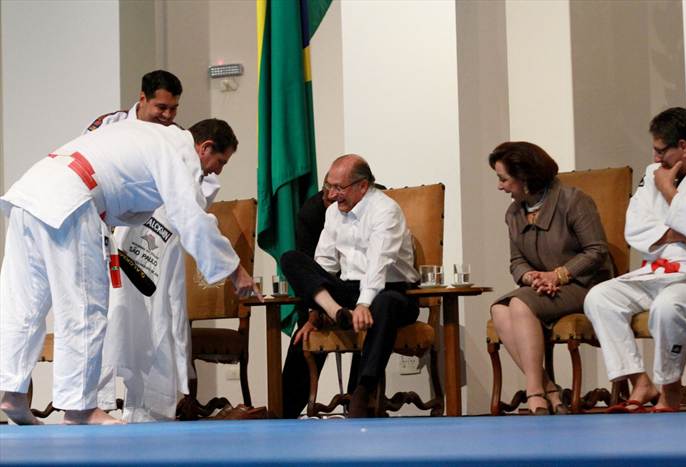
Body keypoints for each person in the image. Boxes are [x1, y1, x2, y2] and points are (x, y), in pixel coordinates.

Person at [0, 118, 261, 425]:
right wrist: (235, 270)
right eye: (221, 162)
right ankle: (80, 407)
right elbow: (190, 216)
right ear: (204, 148)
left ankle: (11, 393)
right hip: (72, 199)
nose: (216, 172)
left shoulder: (143, 133)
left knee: (23, 304)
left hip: (30, 193)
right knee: (84, 307)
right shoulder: (176, 152)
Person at [86, 70, 220, 422]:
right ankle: (98, 403)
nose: (168, 115)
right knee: (109, 319)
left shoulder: (176, 139)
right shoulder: (108, 127)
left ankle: (147, 408)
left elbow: (195, 194)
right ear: (142, 98)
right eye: (162, 107)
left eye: (174, 109)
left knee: (157, 323)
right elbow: (87, 172)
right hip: (108, 237)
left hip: (155, 247)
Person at [280, 154, 419, 418]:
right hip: (347, 294)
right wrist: (315, 313)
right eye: (329, 187)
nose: (331, 195)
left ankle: (363, 391)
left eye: (338, 188)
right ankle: (284, 410)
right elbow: (324, 264)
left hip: (393, 291)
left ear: (362, 186)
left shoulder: (385, 211)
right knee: (291, 259)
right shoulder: (333, 212)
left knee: (383, 304)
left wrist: (364, 304)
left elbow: (378, 263)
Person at [584, 107, 686, 413]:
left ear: (683, 147)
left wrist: (669, 192)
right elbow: (634, 226)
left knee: (668, 306)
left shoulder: (668, 180)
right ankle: (640, 381)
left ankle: (670, 388)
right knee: (600, 297)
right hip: (655, 271)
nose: (655, 158)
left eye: (661, 151)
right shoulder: (652, 174)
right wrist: (681, 233)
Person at [488, 141, 613, 415]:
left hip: (584, 285)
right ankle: (550, 389)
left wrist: (558, 275)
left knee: (519, 304)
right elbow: (516, 261)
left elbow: (596, 251)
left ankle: (534, 391)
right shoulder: (514, 213)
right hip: (542, 289)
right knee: (499, 309)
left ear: (525, 177)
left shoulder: (573, 200)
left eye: (503, 179)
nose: (499, 186)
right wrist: (530, 277)